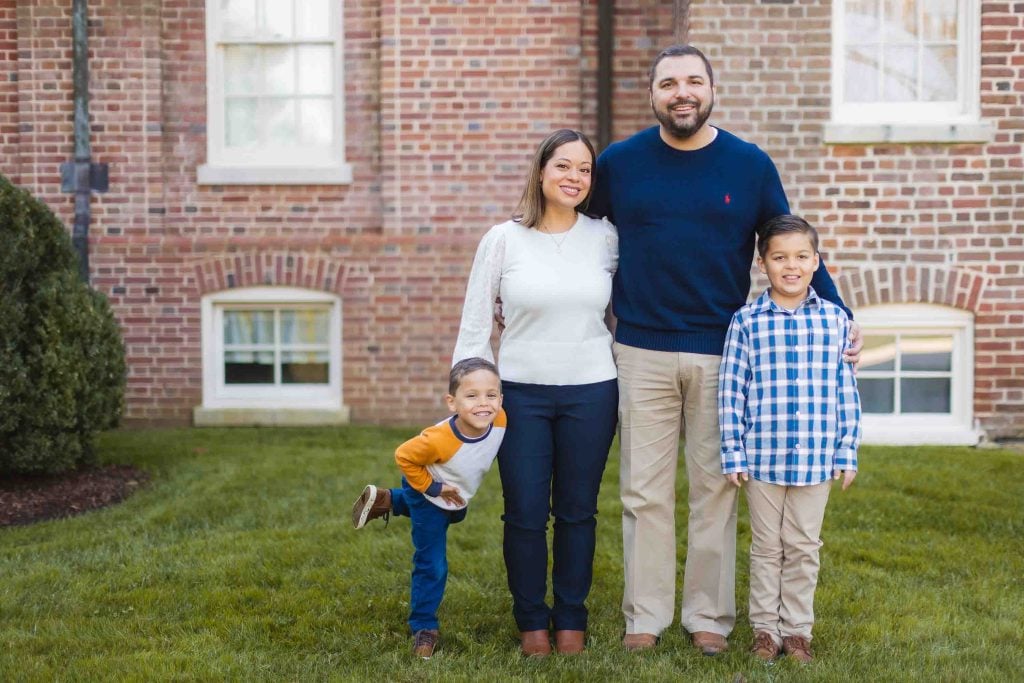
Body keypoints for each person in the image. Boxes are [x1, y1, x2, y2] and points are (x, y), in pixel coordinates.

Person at [586, 44, 863, 654]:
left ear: (710, 89)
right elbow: (579, 236)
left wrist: (839, 314)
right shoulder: (620, 163)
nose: (680, 92)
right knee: (643, 492)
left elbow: (789, 241)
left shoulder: (749, 164)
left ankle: (708, 615)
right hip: (640, 348)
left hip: (725, 350)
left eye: (692, 81)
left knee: (715, 490)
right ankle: (646, 616)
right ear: (653, 93)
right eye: (667, 83)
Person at [452, 129, 618, 657]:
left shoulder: (606, 237)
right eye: (563, 166)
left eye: (584, 170)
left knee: (577, 512)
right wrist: (468, 392)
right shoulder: (503, 239)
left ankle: (570, 619)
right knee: (524, 512)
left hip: (592, 390)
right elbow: (477, 321)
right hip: (520, 393)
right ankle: (531, 624)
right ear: (541, 172)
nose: (574, 177)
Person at [719, 214, 861, 663]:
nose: (791, 266)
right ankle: (765, 629)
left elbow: (846, 391)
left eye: (801, 256)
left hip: (816, 458)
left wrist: (847, 450)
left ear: (816, 262)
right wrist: (733, 451)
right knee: (766, 547)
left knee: (803, 547)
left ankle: (797, 630)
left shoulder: (836, 321)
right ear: (763, 265)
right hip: (762, 457)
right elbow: (730, 389)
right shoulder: (746, 322)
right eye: (779, 258)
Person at [351, 357, 506, 660]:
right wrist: (434, 488)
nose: (483, 404)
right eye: (471, 396)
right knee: (432, 562)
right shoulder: (439, 440)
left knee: (456, 515)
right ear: (452, 402)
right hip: (428, 492)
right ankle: (424, 626)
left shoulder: (500, 420)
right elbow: (404, 455)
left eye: (491, 395)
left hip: (456, 496)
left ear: (501, 398)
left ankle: (387, 500)